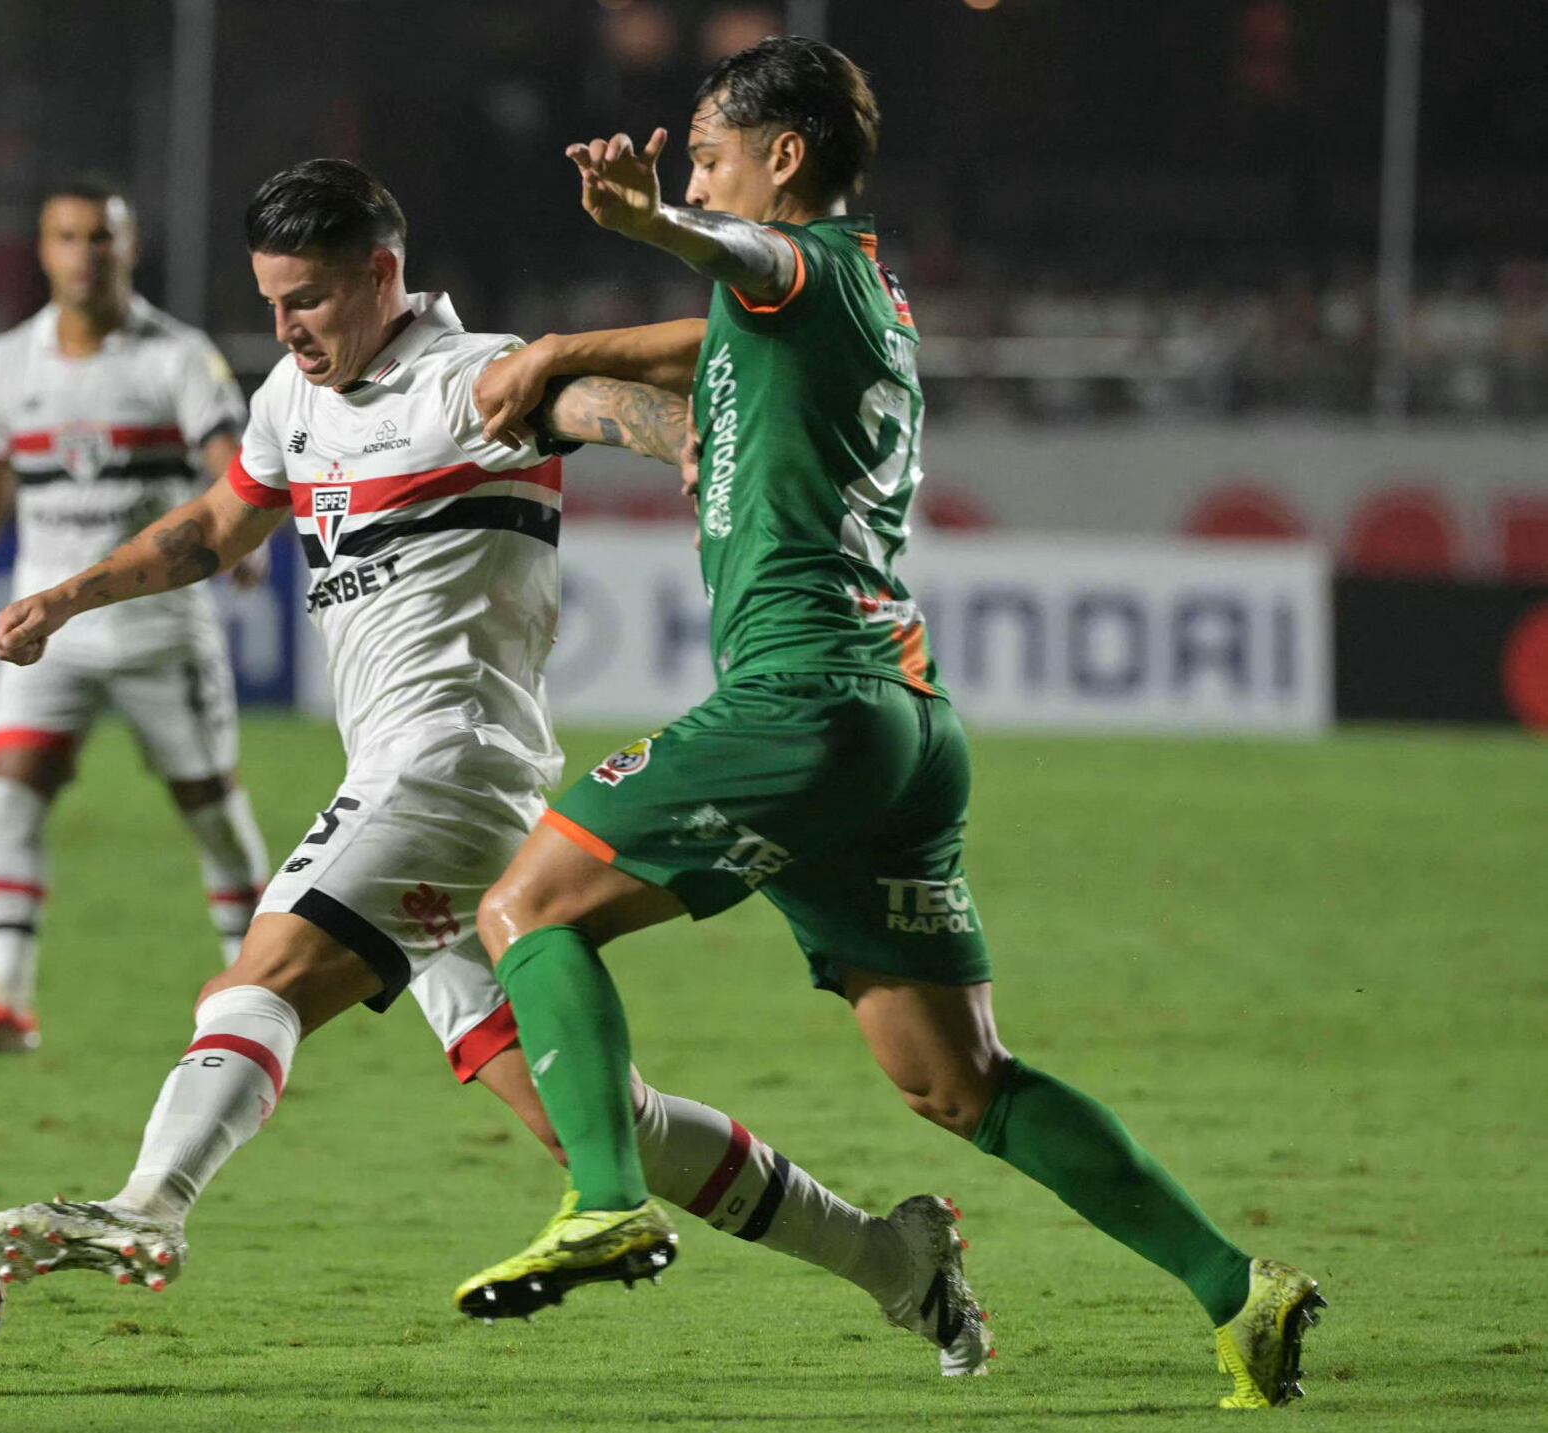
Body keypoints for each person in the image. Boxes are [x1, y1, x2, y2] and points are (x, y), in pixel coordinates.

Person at [0, 158, 991, 1375]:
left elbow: (603, 406)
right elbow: (218, 526)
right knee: (601, 1122)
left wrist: (682, 440)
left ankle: (149, 1201)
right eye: (272, 302)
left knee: (261, 975)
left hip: (442, 770)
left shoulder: (468, 379)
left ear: (381, 275)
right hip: (460, 798)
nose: (288, 330)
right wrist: (68, 596)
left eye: (310, 301)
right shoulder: (293, 394)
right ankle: (891, 1257)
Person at [455, 37, 1324, 1411]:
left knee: (528, 911)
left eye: (709, 150)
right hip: (896, 726)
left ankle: (607, 1198)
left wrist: (651, 226)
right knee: (954, 1079)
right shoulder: (860, 305)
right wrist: (563, 353)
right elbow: (721, 331)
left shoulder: (808, 266)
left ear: (784, 160)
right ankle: (1241, 1291)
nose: (691, 167)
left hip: (801, 701)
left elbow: (747, 270)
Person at [0, 174, 273, 1053]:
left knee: (210, 807)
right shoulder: (4, 364)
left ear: (128, 246)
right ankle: (5, 1001)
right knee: (10, 795)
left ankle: (260, 990)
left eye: (99, 237)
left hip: (157, 626)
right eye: (66, 237)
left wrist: (243, 535)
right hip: (44, 630)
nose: (83, 254)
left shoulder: (176, 357)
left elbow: (230, 455)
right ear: (43, 251)